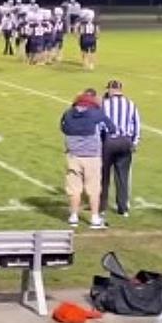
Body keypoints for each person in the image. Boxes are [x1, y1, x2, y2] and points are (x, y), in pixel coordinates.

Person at [61, 89, 117, 229]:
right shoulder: (96, 113)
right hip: (92, 156)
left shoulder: (68, 113)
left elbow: (63, 128)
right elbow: (112, 128)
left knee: (74, 188)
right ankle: (94, 218)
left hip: (73, 155)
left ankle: (73, 217)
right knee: (93, 189)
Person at [100, 80, 141, 219]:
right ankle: (123, 208)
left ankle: (101, 207)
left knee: (104, 175)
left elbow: (99, 124)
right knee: (123, 176)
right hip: (125, 141)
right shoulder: (131, 104)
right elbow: (137, 124)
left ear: (111, 90)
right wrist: (134, 142)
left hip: (109, 141)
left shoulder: (104, 104)